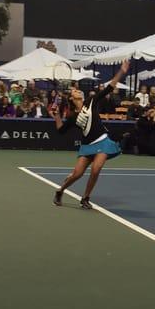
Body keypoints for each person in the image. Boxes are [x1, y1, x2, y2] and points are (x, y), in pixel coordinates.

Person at [52, 61, 130, 209]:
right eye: (74, 91)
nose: (77, 90)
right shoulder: (73, 117)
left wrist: (121, 71)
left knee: (96, 169)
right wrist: (56, 116)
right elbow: (60, 130)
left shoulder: (91, 101)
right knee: (77, 174)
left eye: (78, 89)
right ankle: (60, 190)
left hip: (102, 141)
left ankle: (85, 198)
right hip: (87, 146)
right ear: (71, 98)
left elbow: (109, 87)